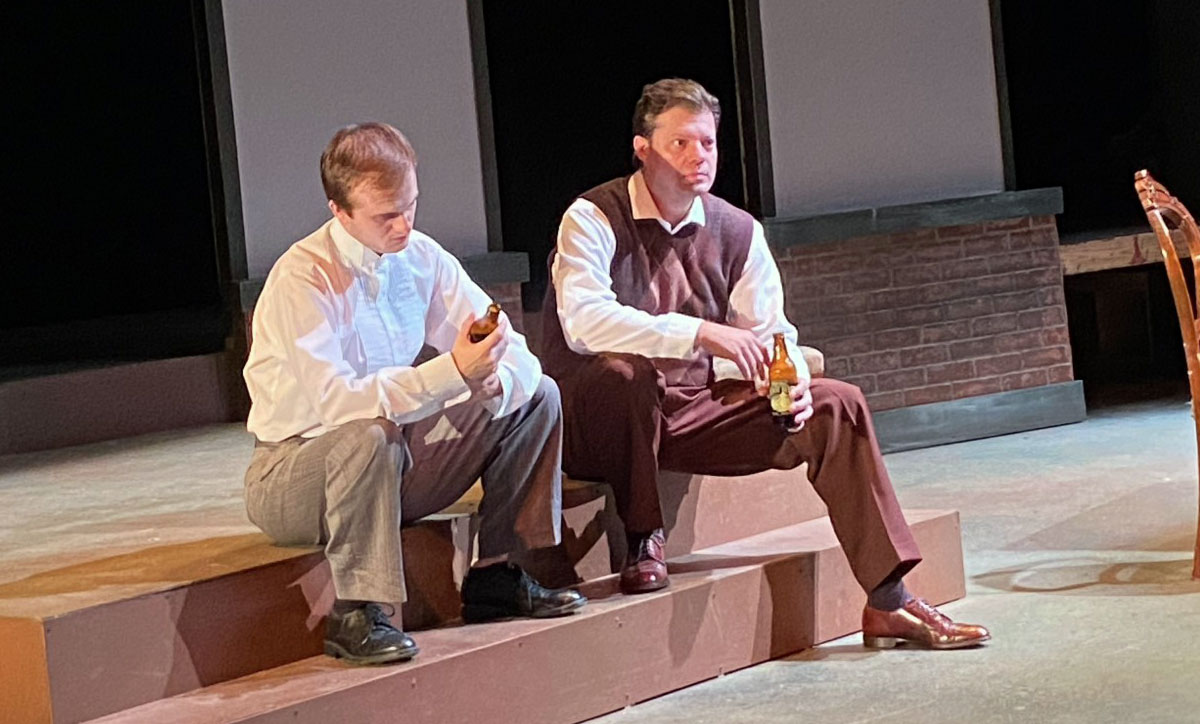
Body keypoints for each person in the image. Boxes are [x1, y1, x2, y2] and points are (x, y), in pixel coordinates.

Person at [541, 79, 987, 649]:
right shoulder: (593, 217)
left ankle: (888, 601)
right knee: (626, 375)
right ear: (642, 148)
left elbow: (773, 335)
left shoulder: (737, 230)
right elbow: (583, 323)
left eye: (707, 143)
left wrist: (792, 381)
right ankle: (643, 538)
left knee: (835, 403)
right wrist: (703, 334)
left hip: (690, 414)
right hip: (599, 421)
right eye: (680, 143)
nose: (698, 157)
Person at [244, 122, 585, 666]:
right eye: (386, 216)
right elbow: (338, 404)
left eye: (411, 206)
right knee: (368, 434)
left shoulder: (421, 257)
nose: (404, 225)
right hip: (293, 474)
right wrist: (453, 372)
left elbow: (508, 345)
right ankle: (355, 613)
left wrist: (495, 378)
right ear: (339, 211)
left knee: (536, 395)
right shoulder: (302, 278)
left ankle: (496, 573)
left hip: (391, 460)